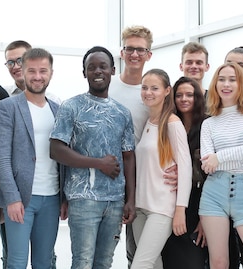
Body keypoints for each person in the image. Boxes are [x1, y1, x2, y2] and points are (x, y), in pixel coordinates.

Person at [49, 46, 136, 269]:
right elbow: (56, 149)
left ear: (113, 71)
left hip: (115, 200)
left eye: (103, 66)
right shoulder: (71, 106)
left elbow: (128, 157)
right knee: (83, 262)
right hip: (83, 198)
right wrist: (98, 164)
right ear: (84, 73)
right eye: (91, 67)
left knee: (104, 263)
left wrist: (130, 200)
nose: (98, 71)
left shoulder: (122, 112)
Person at [199, 62, 243, 269]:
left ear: (241, 84)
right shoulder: (209, 123)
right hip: (214, 194)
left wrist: (220, 157)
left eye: (232, 79)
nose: (226, 84)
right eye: (221, 79)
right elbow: (207, 164)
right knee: (219, 263)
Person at [0, 48, 61, 269]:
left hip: (51, 198)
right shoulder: (7, 107)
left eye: (43, 71)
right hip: (21, 198)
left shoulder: (58, 110)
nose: (37, 76)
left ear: (51, 73)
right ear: (22, 71)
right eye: (31, 71)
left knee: (44, 262)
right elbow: (2, 157)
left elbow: (64, 156)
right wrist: (12, 198)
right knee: (17, 262)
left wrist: (64, 198)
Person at [131, 69, 192, 268]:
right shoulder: (148, 122)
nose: (148, 92)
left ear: (167, 91)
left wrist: (180, 210)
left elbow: (185, 168)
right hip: (140, 207)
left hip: (161, 209)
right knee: (154, 264)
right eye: (145, 87)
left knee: (141, 265)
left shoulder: (173, 124)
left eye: (154, 88)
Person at [106, 25, 152, 267]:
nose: (135, 54)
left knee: (137, 250)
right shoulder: (107, 86)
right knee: (104, 249)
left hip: (141, 177)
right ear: (122, 53)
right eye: (130, 49)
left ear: (148, 55)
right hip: (108, 176)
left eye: (140, 50)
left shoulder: (152, 90)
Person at [161, 76, 209, 269]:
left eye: (189, 94)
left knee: (193, 260)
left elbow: (212, 176)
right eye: (178, 95)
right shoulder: (168, 125)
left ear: (198, 97)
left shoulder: (208, 125)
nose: (183, 99)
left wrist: (205, 219)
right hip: (171, 201)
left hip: (201, 202)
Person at [2, 40, 61, 105]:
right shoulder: (0, 95)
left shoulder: (53, 101)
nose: (15, 67)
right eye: (10, 62)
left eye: (20, 60)